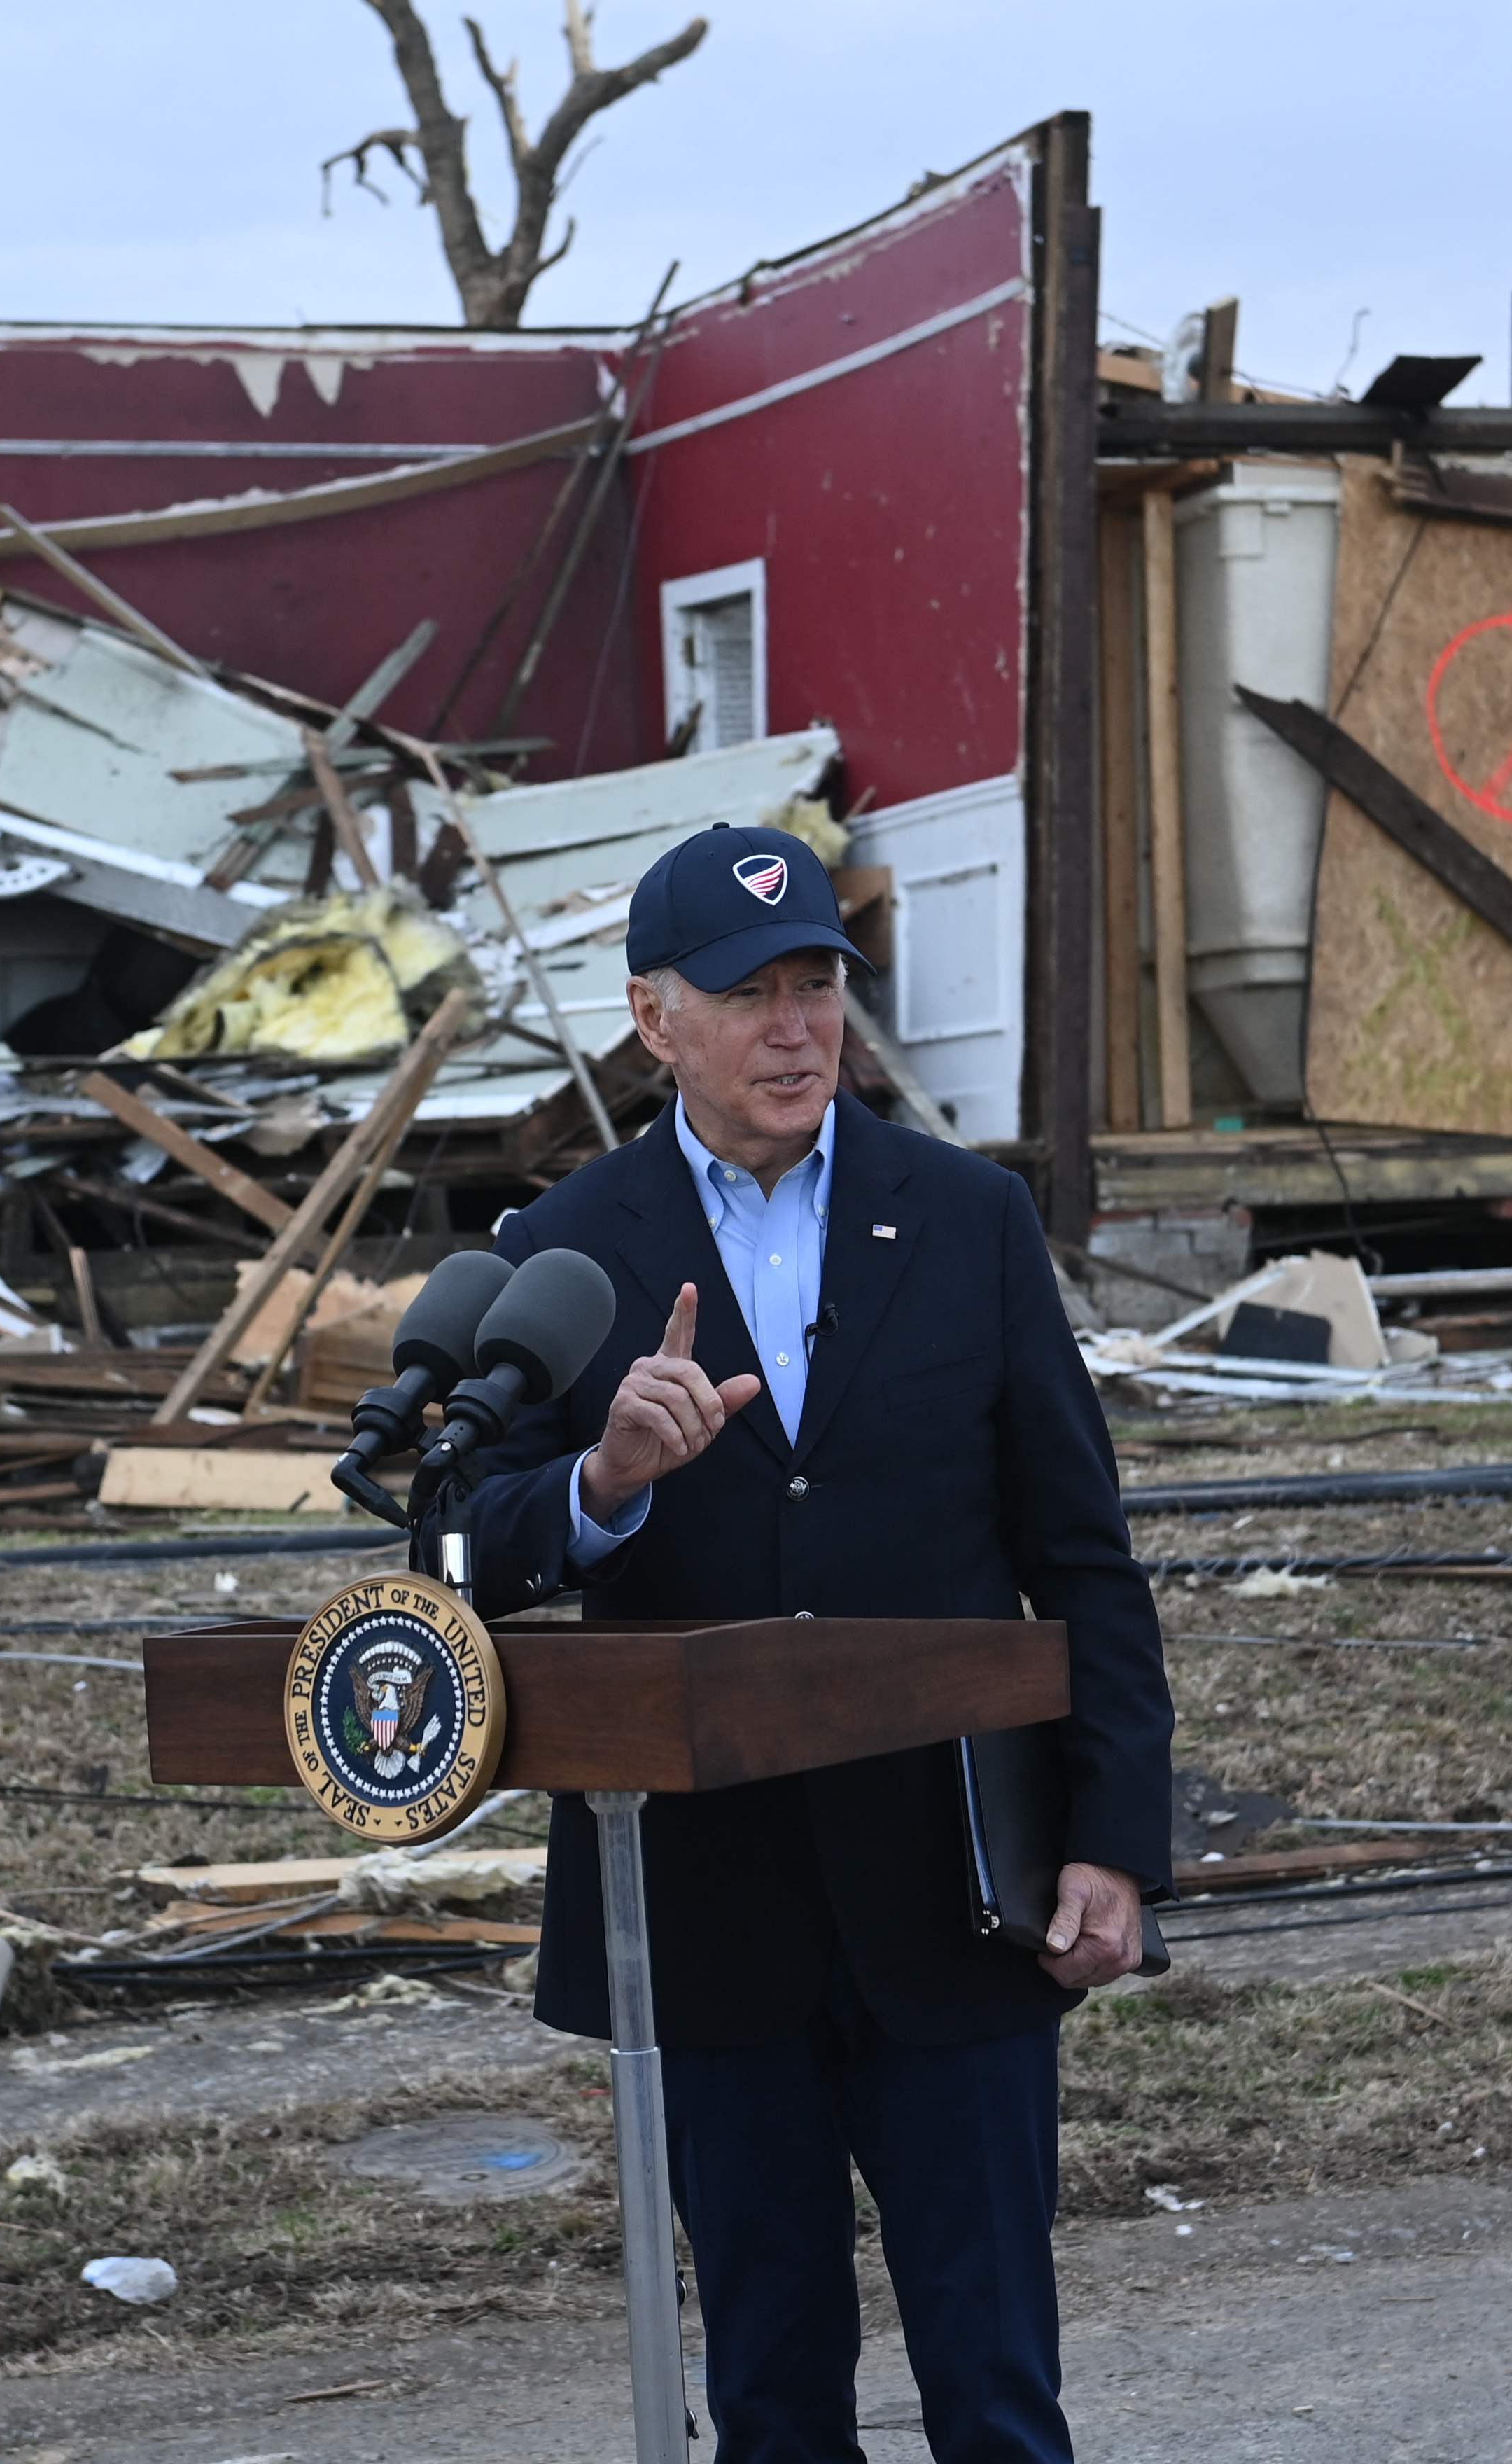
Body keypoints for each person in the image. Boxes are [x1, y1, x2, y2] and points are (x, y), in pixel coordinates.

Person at [457, 819, 1176, 2464]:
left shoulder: (970, 1217)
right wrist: (598, 1484)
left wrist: (1115, 1838)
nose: (795, 1030)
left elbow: (1081, 1554)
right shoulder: (564, 1248)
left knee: (997, 2389)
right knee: (773, 2398)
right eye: (748, 994)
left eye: (816, 987)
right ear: (654, 1019)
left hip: (954, 1888)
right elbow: (457, 1549)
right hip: (709, 1916)